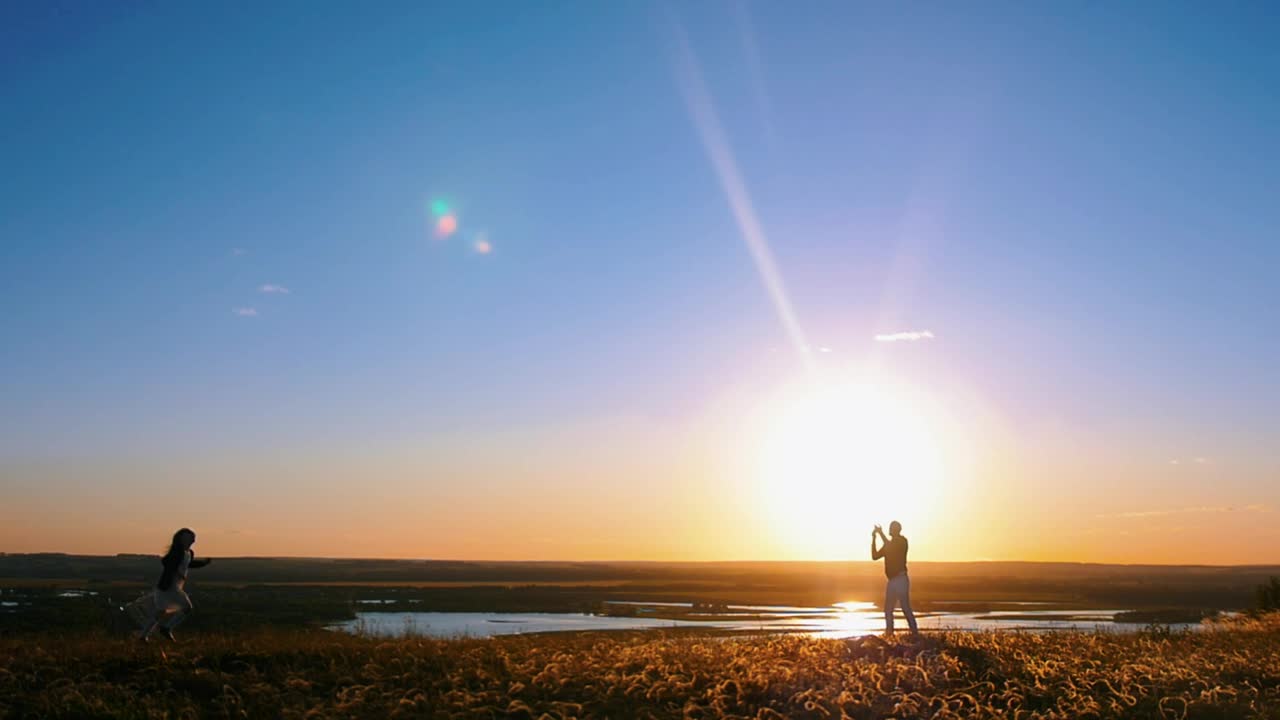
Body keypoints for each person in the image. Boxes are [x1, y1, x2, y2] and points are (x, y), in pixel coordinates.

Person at [128, 528, 211, 641]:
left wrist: (204, 563)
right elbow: (166, 561)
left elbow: (189, 564)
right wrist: (176, 572)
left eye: (193, 538)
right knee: (187, 608)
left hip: (175, 586)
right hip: (168, 586)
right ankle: (166, 628)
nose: (193, 540)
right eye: (190, 538)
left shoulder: (188, 553)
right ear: (182, 539)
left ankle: (144, 636)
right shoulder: (177, 551)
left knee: (159, 612)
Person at [871, 520, 918, 635]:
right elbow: (875, 556)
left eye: (892, 528)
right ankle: (889, 633)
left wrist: (880, 534)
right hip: (892, 580)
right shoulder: (888, 544)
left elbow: (891, 547)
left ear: (896, 530)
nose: (890, 530)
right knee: (888, 609)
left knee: (905, 607)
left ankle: (915, 633)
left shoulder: (902, 541)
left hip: (901, 579)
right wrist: (873, 539)